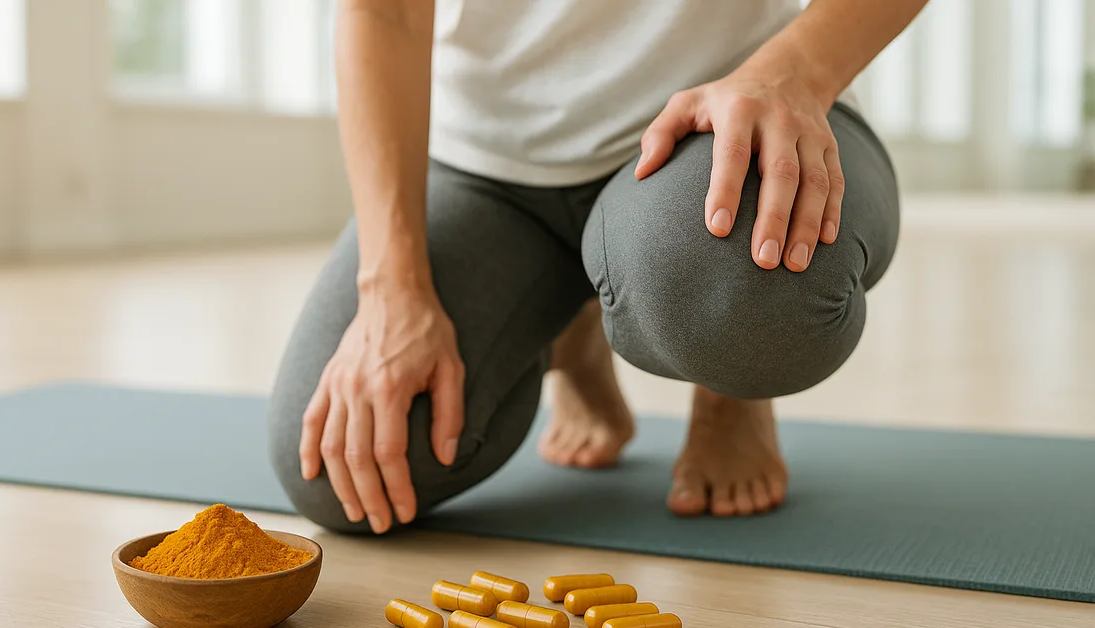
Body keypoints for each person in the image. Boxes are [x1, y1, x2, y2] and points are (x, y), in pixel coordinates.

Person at [268, 0, 920, 534]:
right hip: (489, 160)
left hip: (729, 120)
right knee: (338, 473)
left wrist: (792, 73)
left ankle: (726, 396)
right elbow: (382, 11)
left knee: (750, 313)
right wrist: (392, 288)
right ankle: (576, 335)